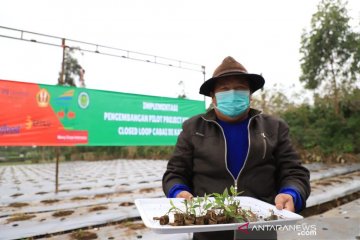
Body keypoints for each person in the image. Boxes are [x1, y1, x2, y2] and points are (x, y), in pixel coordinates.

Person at [162, 56, 311, 240]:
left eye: (240, 88)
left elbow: (294, 172)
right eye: (224, 89)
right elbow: (175, 173)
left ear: (249, 95)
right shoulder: (194, 128)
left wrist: (292, 193)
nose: (233, 93)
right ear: (213, 97)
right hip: (208, 227)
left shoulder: (274, 127)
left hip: (259, 227)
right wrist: (178, 191)